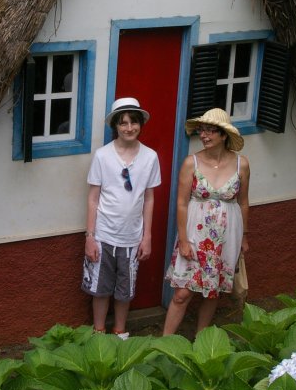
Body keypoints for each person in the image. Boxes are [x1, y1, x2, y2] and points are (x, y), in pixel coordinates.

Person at [163, 108, 250, 335]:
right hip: (195, 234)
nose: (204, 135)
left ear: (224, 135)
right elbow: (181, 203)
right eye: (202, 130)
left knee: (213, 290)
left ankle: (202, 340)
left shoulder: (242, 164)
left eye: (210, 131)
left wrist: (244, 237)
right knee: (182, 293)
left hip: (227, 235)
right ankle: (162, 343)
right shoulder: (191, 163)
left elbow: (243, 203)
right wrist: (183, 239)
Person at [82, 97, 161, 338]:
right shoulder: (102, 156)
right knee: (101, 288)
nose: (129, 128)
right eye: (123, 123)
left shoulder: (150, 157)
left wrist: (146, 237)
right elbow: (93, 199)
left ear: (140, 125)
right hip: (104, 235)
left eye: (133, 122)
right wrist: (90, 237)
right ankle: (98, 332)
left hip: (131, 238)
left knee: (124, 290)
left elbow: (149, 199)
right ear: (115, 126)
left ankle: (120, 332)